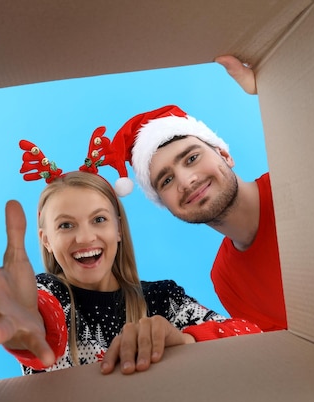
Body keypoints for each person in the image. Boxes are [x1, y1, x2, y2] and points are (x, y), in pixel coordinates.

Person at [0, 132, 261, 376]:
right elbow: (43, 318)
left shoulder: (162, 298)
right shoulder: (46, 295)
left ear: (117, 228)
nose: (85, 237)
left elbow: (251, 337)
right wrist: (29, 328)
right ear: (47, 240)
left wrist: (185, 339)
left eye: (98, 220)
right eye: (66, 226)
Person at [104, 55, 287, 332]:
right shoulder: (227, 280)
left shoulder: (295, 181)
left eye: (191, 158)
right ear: (163, 203)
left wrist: (281, 86)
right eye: (166, 180)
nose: (186, 181)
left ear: (224, 153)